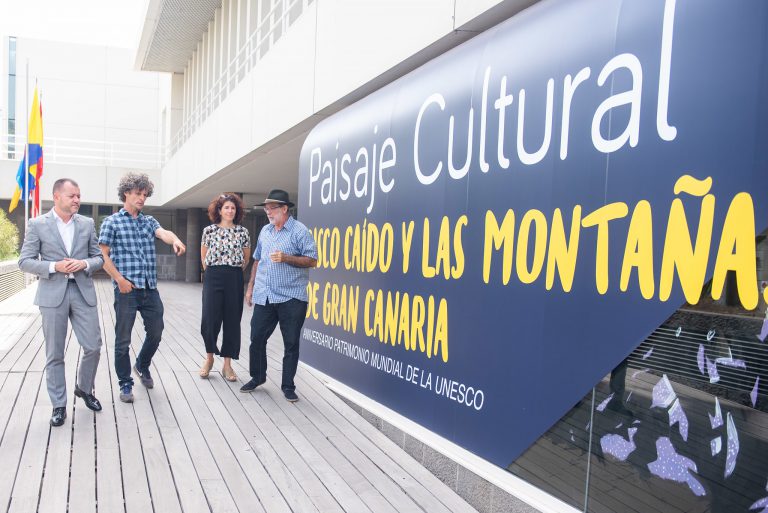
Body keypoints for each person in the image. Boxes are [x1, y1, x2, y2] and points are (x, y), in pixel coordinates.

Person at [18, 178, 104, 426]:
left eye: (79, 195)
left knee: (94, 346)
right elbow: (25, 261)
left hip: (82, 291)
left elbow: (98, 258)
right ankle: (58, 405)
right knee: (54, 353)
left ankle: (84, 389)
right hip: (52, 294)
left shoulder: (87, 224)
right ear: (57, 197)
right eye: (72, 196)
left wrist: (85, 263)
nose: (77, 200)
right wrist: (54, 266)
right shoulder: (37, 224)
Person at [98, 172, 186, 403]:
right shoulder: (112, 222)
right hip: (126, 289)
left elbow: (163, 233)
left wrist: (175, 240)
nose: (142, 198)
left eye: (145, 195)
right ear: (126, 193)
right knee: (122, 339)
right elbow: (102, 255)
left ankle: (142, 365)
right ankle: (125, 384)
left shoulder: (149, 222)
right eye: (138, 193)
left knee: (156, 332)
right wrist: (119, 279)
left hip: (149, 288)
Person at [240, 189, 317, 402]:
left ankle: (288, 386)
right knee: (256, 338)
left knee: (290, 343)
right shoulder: (266, 231)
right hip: (264, 295)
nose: (268, 212)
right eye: (266, 208)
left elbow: (312, 260)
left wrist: (286, 257)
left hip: (291, 297)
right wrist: (250, 288)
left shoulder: (300, 231)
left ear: (285, 209)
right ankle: (257, 377)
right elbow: (257, 260)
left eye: (272, 208)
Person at [199, 193, 251, 381]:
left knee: (232, 320)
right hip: (213, 275)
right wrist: (214, 271)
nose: (230, 210)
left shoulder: (242, 232)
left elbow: (246, 258)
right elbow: (204, 257)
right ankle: (209, 358)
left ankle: (227, 365)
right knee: (210, 319)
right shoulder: (209, 231)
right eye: (226, 207)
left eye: (233, 208)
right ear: (219, 210)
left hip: (234, 277)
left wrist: (232, 270)